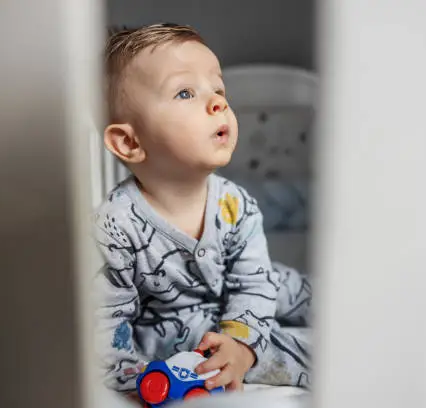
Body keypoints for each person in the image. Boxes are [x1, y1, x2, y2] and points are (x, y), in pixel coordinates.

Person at [93, 23, 311, 395]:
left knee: (294, 288)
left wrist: (241, 335)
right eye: (184, 92)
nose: (218, 102)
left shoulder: (235, 204)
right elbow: (107, 326)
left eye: (218, 89)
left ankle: (367, 308)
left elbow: (253, 284)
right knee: (290, 354)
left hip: (250, 286)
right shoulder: (114, 225)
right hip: (178, 323)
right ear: (129, 142)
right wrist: (137, 381)